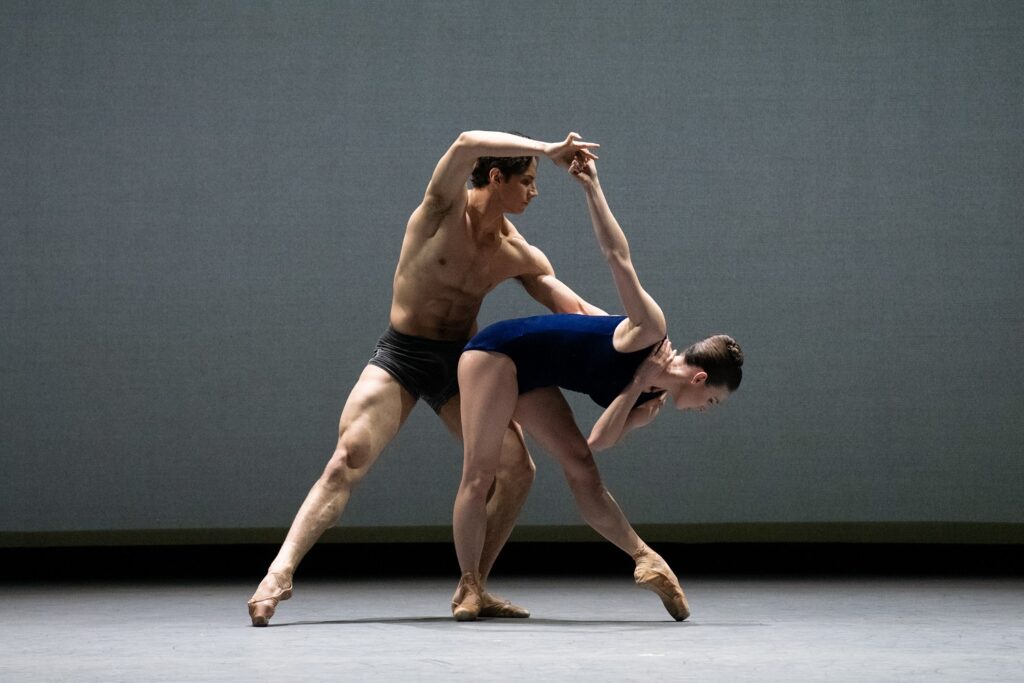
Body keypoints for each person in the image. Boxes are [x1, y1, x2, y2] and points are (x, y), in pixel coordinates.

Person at [247, 131, 605, 626]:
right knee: (347, 458)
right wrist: (548, 149)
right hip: (403, 354)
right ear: (496, 177)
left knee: (518, 469)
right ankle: (278, 575)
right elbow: (465, 142)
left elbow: (578, 311)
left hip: (463, 362)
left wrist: (643, 346)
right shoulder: (440, 211)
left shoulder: (518, 253)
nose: (535, 192)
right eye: (526, 181)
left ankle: (473, 585)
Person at [450, 156, 743, 621]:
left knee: (582, 468)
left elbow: (597, 442)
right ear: (700, 378)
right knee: (480, 472)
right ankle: (469, 588)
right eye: (711, 401)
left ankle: (647, 558)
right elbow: (617, 257)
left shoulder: (650, 401)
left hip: (534, 375)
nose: (706, 409)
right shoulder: (650, 329)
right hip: (495, 352)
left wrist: (638, 389)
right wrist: (592, 187)